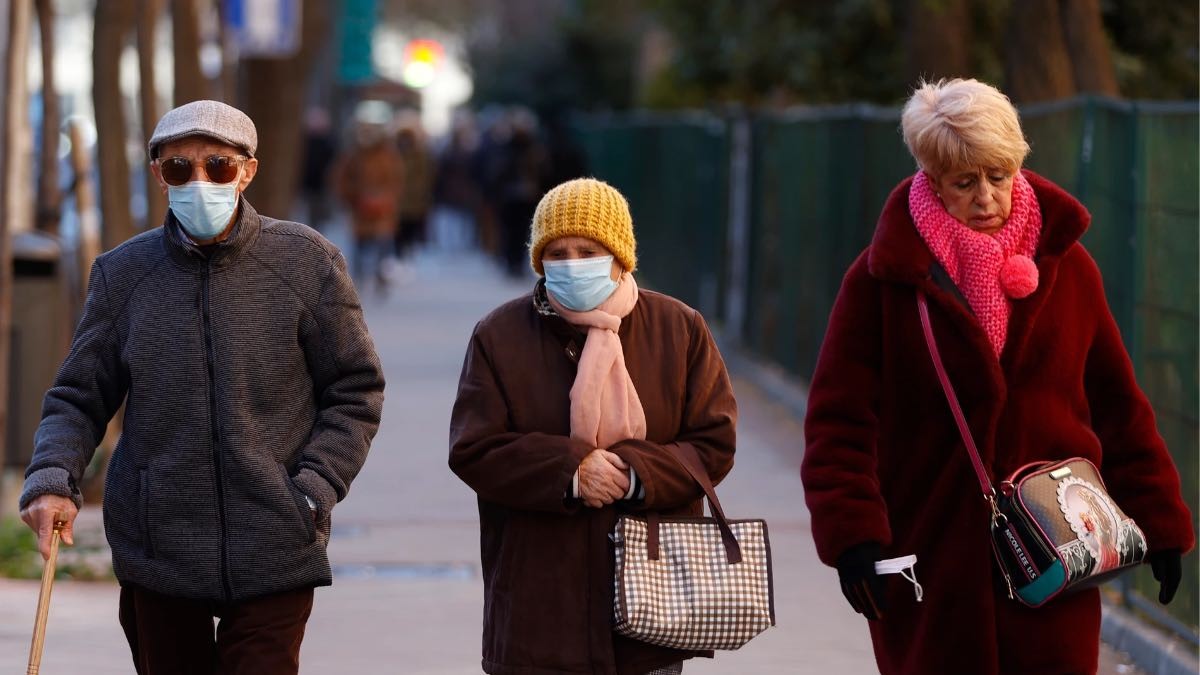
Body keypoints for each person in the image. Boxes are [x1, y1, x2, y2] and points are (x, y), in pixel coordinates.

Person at [799, 78, 1194, 675]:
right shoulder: (883, 280)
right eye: (965, 182)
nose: (987, 196)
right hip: (931, 558)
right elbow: (839, 420)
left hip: (1056, 559)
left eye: (999, 175)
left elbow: (1118, 405)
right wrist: (852, 536)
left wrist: (1160, 520)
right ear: (932, 181)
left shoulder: (1070, 268)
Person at [18, 99, 385, 675]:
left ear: (247, 171)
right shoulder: (124, 273)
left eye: (217, 165)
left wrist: (312, 490)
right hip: (158, 542)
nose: (199, 181)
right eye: (179, 168)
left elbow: (355, 389)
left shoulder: (307, 261)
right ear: (159, 175)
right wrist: (50, 480)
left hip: (275, 537)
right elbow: (78, 397)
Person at [449, 178, 737, 675]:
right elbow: (475, 448)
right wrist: (572, 472)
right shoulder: (499, 334)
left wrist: (633, 473)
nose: (572, 262)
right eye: (557, 252)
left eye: (588, 250)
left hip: (649, 602)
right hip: (538, 606)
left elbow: (713, 442)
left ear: (620, 256)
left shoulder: (679, 327)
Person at [331, 116, 405, 293]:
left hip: (382, 210)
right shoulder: (354, 156)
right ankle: (358, 279)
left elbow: (396, 180)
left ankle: (381, 277)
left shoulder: (388, 156)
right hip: (360, 209)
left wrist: (386, 198)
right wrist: (354, 197)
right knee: (359, 246)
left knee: (382, 245)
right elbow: (341, 179)